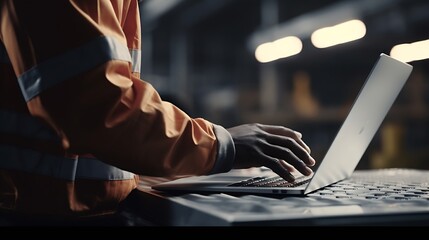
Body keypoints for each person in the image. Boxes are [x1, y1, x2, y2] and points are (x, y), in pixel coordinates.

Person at [0, 0, 315, 225]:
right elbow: (101, 109)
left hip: (58, 207)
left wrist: (193, 168)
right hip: (35, 213)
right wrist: (220, 146)